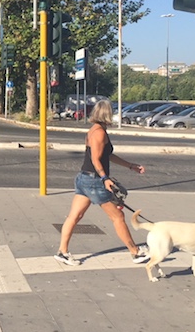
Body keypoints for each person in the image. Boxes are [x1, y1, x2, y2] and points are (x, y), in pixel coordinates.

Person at [54, 99, 149, 266]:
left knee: (74, 216)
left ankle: (62, 251)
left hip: (84, 178)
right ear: (107, 114)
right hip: (94, 181)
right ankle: (135, 252)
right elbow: (96, 159)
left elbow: (107, 155)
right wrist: (105, 179)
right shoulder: (99, 133)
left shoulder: (95, 130)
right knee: (118, 216)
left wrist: (130, 166)